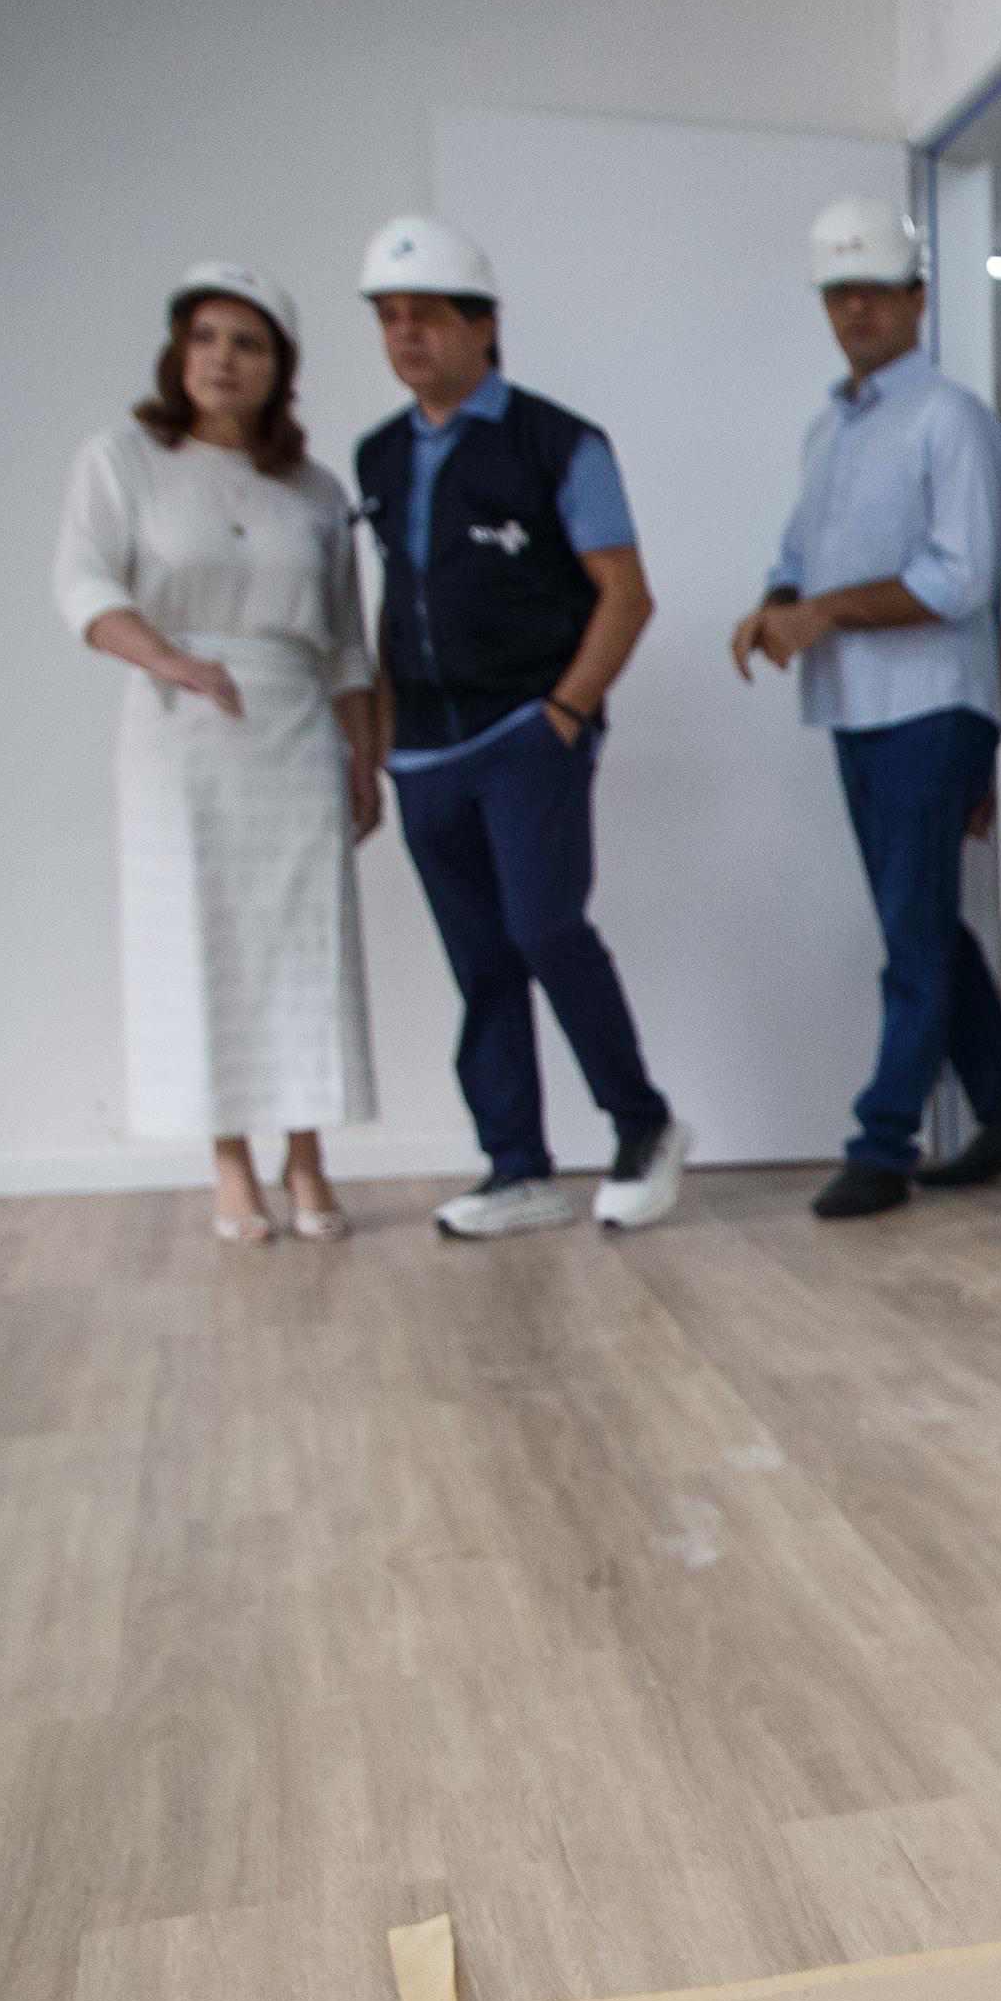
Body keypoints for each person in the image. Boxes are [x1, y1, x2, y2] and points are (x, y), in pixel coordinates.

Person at [353, 213, 686, 1239]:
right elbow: (387, 604)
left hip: (526, 734)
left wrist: (566, 712)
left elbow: (624, 594)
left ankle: (642, 1123)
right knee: (481, 962)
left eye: (429, 317)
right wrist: (376, 745)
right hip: (423, 750)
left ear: (483, 325)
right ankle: (516, 1167)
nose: (408, 336)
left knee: (546, 928)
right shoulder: (376, 457)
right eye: (390, 318)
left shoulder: (558, 442)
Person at [51, 265, 384, 1242]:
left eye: (247, 343)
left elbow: (348, 641)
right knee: (201, 936)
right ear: (177, 350)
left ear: (279, 366)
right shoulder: (124, 458)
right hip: (179, 729)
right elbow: (79, 582)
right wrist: (169, 657)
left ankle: (308, 1153)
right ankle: (230, 1158)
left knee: (305, 942)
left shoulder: (316, 491)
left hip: (294, 725)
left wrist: (363, 755)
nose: (222, 360)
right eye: (205, 338)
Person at [727, 194, 1001, 1221]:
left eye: (874, 291)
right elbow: (799, 561)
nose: (855, 310)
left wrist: (827, 613)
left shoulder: (952, 420)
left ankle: (884, 1139)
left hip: (932, 706)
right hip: (856, 708)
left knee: (910, 934)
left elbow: (960, 578)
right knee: (926, 924)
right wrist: (775, 609)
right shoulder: (829, 431)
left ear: (917, 299)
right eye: (838, 293)